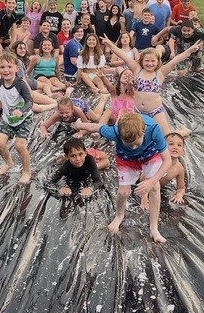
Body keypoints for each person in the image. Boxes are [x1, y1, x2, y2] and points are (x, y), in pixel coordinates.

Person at [75, 111, 171, 242]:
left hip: (149, 153)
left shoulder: (154, 130)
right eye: (129, 144)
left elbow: (167, 160)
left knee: (155, 187)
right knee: (123, 192)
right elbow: (94, 127)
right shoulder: (114, 132)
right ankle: (119, 215)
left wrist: (151, 181)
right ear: (120, 136)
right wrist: (78, 125)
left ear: (143, 132)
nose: (134, 147)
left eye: (137, 143)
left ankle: (154, 228)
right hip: (126, 158)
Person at [101, 35, 202, 137]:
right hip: (137, 111)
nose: (150, 64)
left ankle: (183, 131)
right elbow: (123, 55)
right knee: (135, 135)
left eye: (153, 61)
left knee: (166, 136)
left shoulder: (161, 72)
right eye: (147, 61)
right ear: (141, 61)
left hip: (155, 111)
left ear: (158, 62)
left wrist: (190, 50)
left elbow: (176, 60)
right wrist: (110, 44)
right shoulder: (137, 69)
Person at [0, 52, 33, 184]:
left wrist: (21, 111)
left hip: (23, 119)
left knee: (19, 145)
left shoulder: (20, 84)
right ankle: (9, 163)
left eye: (9, 66)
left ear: (17, 68)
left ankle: (27, 171)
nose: (6, 70)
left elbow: (29, 101)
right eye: (2, 67)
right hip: (7, 119)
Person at [39, 94, 109, 137]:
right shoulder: (57, 114)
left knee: (96, 118)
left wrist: (81, 132)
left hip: (80, 104)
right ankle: (67, 94)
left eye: (66, 113)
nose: (64, 115)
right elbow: (43, 126)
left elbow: (87, 126)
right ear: (58, 110)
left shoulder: (78, 111)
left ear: (72, 110)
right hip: (69, 103)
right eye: (61, 113)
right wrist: (44, 132)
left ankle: (103, 98)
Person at [160, 132, 187, 204]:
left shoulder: (179, 168)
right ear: (162, 147)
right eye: (171, 144)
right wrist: (144, 199)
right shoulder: (157, 161)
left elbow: (181, 188)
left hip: (158, 187)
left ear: (183, 152)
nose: (175, 147)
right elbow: (144, 178)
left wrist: (179, 195)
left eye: (179, 145)